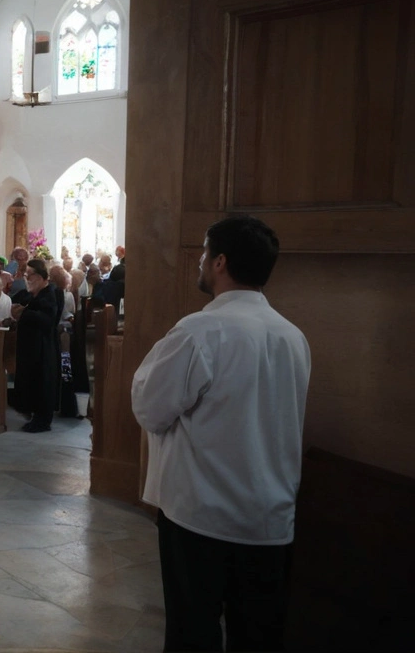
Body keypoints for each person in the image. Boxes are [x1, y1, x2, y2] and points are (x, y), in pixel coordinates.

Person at [131, 215, 310, 652]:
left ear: (220, 262)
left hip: (201, 517)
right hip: (269, 519)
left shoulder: (200, 332)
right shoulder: (292, 337)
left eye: (204, 254)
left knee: (193, 634)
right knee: (257, 637)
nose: (200, 263)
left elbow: (150, 409)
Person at [9, 260, 59, 433]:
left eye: (28, 275)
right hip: (31, 348)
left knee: (42, 382)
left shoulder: (50, 294)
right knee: (31, 381)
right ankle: (31, 413)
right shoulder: (33, 294)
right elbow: (21, 301)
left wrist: (26, 313)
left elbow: (47, 320)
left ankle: (42, 420)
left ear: (38, 276)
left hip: (42, 349)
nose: (26, 278)